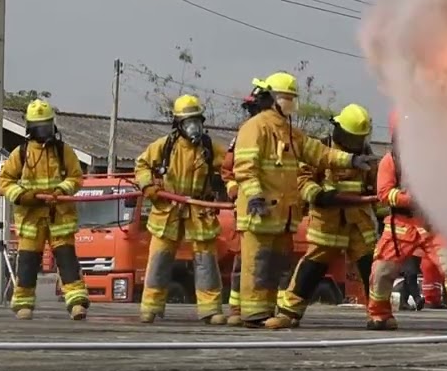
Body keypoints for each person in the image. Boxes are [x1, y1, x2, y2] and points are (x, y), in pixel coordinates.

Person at [231, 72, 379, 327]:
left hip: (284, 215)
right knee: (259, 264)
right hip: (262, 211)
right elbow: (245, 168)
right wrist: (255, 196)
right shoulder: (255, 127)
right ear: (270, 98)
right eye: (285, 98)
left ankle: (268, 314)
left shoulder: (289, 130)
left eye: (292, 99)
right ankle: (255, 315)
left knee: (274, 265)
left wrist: (351, 160)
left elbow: (317, 152)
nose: (290, 104)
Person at [265, 104, 378, 329]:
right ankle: (289, 312)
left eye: (359, 138)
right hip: (328, 221)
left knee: (372, 268)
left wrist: (384, 220)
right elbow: (302, 180)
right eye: (352, 138)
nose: (355, 143)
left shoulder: (367, 156)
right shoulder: (321, 148)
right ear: (339, 130)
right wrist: (318, 195)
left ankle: (379, 314)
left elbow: (376, 190)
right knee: (313, 266)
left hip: (358, 223)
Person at [367, 111, 447, 333]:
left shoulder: (438, 159)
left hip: (433, 225)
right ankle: (379, 315)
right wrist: (410, 199)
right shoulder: (390, 161)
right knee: (381, 270)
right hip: (401, 225)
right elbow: (384, 193)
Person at [135, 94, 229, 324]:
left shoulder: (210, 148)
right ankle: (150, 307)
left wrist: (232, 187)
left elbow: (230, 168)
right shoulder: (165, 146)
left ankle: (210, 309)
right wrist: (148, 185)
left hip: (199, 209)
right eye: (188, 121)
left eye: (196, 120)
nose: (193, 126)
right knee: (160, 258)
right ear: (178, 124)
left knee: (206, 260)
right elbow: (142, 165)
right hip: (169, 209)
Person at [0, 99, 89, 321]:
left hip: (60, 218)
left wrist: (61, 190)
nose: (44, 132)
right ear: (30, 128)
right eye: (39, 128)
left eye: (47, 126)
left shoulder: (63, 151)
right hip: (31, 220)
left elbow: (76, 177)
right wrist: (22, 196)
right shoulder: (21, 154)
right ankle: (23, 304)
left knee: (67, 261)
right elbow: (5, 180)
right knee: (28, 263)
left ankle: (76, 302)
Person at [221, 86, 272, 325]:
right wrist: (234, 190)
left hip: (276, 209)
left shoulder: (281, 133)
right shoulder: (243, 134)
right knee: (244, 260)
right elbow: (227, 169)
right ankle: (237, 309)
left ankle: (271, 310)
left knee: (273, 263)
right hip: (249, 208)